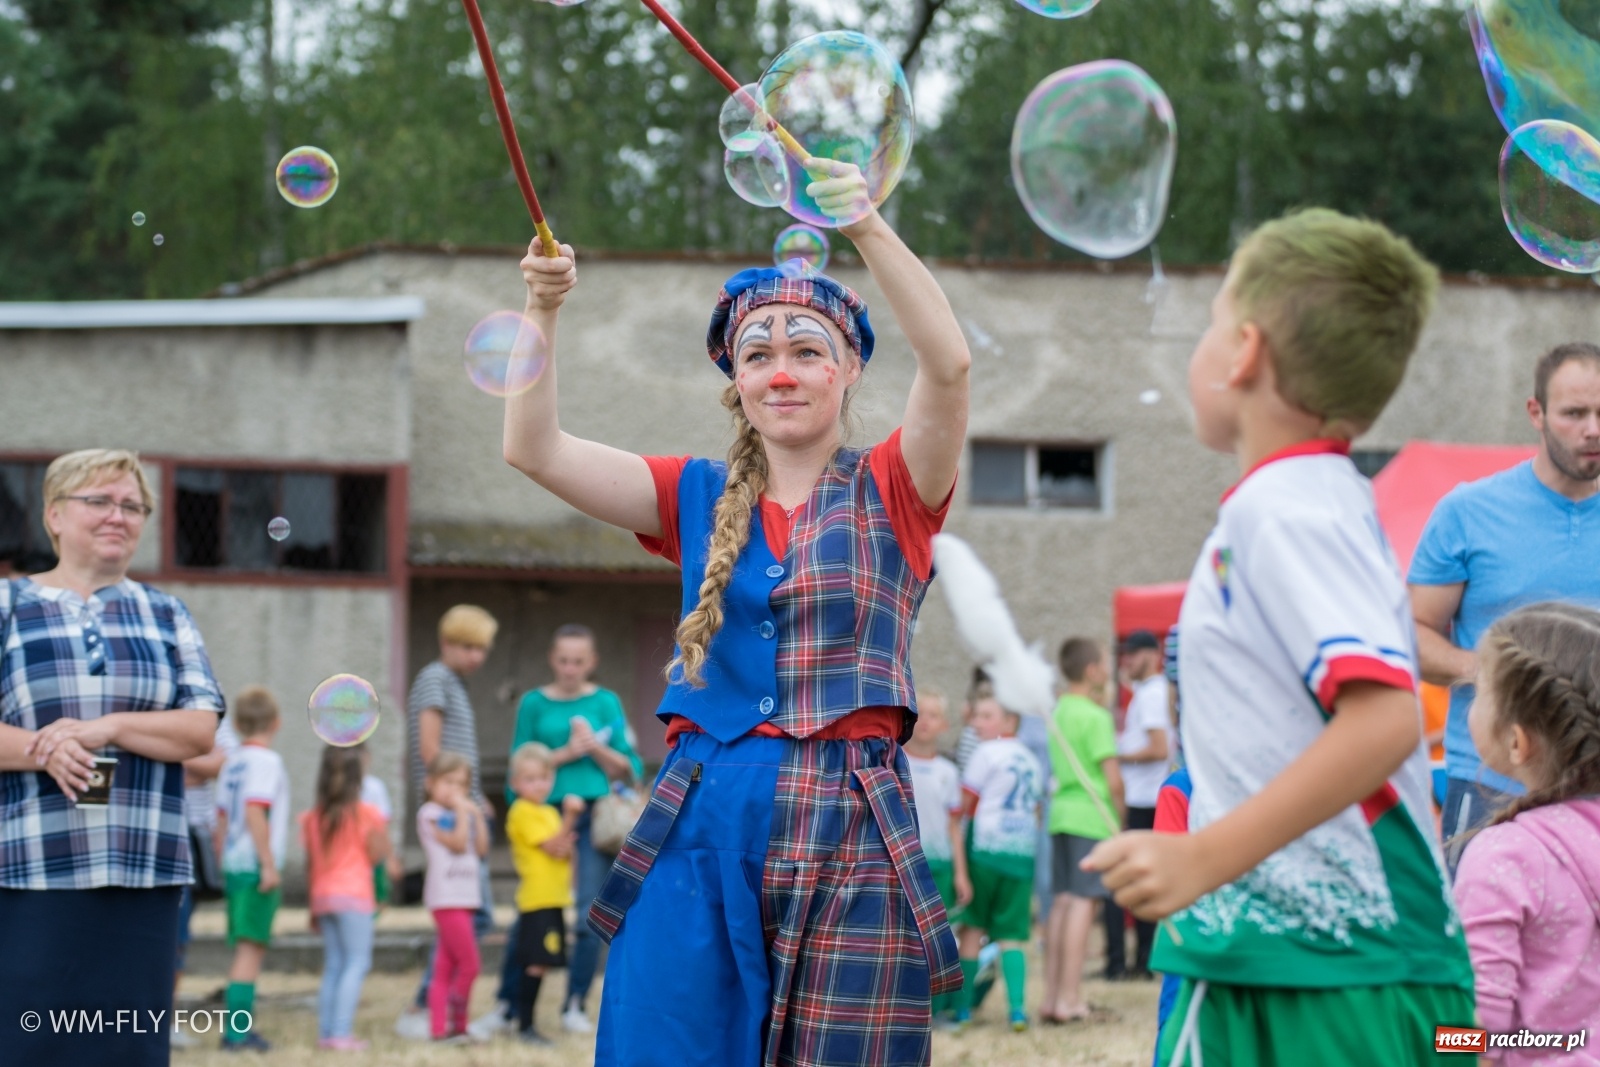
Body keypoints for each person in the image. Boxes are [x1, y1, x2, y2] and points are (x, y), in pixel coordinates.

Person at [504, 157, 968, 1065]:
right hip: (699, 815)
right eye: (759, 355)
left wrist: (864, 221)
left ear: (849, 370)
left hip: (850, 818)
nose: (781, 372)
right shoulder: (695, 492)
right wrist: (544, 307)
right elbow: (533, 446)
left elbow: (948, 363)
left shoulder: (897, 485)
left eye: (805, 350)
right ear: (737, 381)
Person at [1084, 209, 1475, 1065]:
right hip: (1304, 961)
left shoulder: (1287, 506)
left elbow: (1386, 720)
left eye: (1210, 320)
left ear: (1245, 352)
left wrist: (1201, 858)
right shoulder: (1306, 501)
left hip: (1329, 975)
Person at [0, 448, 224, 1067]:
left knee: (128, 1051)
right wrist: (44, 751)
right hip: (30, 872)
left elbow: (200, 729)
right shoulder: (7, 606)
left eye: (132, 506)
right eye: (98, 501)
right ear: (53, 515)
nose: (117, 516)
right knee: (29, 1048)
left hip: (144, 871)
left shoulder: (166, 613)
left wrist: (111, 727)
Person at [1409, 342, 1600, 872]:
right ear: (1535, 413)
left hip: (1597, 778)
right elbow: (1414, 636)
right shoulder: (1468, 512)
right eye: (1575, 413)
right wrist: (1507, 676)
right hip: (1490, 780)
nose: (1593, 429)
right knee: (1482, 945)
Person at [1452, 603, 1600, 1057]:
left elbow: (1480, 1034)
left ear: (1517, 741)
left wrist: (1432, 1041)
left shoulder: (1505, 856)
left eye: (1478, 691)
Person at [495, 623, 643, 1035]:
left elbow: (629, 769)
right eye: (563, 660)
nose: (570, 668)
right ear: (551, 659)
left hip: (595, 817)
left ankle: (574, 1003)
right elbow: (517, 771)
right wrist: (564, 753)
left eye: (579, 661)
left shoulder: (606, 701)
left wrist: (594, 748)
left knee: (587, 915)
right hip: (544, 814)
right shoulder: (533, 703)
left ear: (592, 663)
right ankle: (509, 1004)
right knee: (532, 911)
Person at [400, 603, 497, 1038]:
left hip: (465, 804)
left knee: (476, 914)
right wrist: (457, 798)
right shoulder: (434, 679)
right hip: (451, 811)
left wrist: (477, 800)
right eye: (467, 646)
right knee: (476, 914)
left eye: (482, 648)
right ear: (446, 643)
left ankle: (435, 1002)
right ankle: (428, 1005)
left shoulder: (454, 681)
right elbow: (431, 749)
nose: (476, 656)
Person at [948, 689, 1044, 1033]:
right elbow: (1036, 811)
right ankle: (1017, 1011)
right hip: (1021, 855)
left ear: (1009, 720)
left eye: (986, 716)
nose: (977, 723)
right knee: (1013, 935)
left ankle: (962, 1011)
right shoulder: (1030, 759)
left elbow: (964, 804)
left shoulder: (986, 752)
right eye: (976, 716)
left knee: (972, 928)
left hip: (984, 853)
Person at [1041, 636, 1123, 1024]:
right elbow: (1113, 779)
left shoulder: (1058, 710)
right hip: (1091, 816)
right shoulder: (1096, 715)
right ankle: (1069, 1001)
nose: (1108, 668)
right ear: (1092, 671)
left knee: (1062, 902)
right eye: (1105, 662)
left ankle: (1052, 996)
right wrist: (1120, 820)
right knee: (1082, 904)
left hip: (1061, 814)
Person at [300, 743, 391, 1052]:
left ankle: (327, 1034)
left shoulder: (312, 818)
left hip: (324, 897)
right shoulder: (368, 814)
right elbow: (378, 855)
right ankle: (341, 1035)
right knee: (356, 962)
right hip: (354, 897)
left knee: (335, 965)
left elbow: (311, 865)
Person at [215, 686, 289, 1052]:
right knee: (250, 951)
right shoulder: (266, 762)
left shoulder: (231, 760)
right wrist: (269, 864)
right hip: (254, 867)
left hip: (233, 865)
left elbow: (222, 820)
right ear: (276, 722)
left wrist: (222, 860)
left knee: (244, 948)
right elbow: (255, 810)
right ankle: (238, 1034)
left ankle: (237, 1030)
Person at [504, 742, 585, 1046]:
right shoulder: (522, 811)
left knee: (539, 962)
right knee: (535, 963)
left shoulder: (547, 813)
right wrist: (571, 818)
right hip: (537, 899)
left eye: (543, 777)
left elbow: (563, 849)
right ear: (515, 783)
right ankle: (525, 1025)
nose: (538, 784)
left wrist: (563, 829)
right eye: (530, 779)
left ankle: (521, 1020)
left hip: (554, 897)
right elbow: (554, 846)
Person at [1105, 629, 1171, 980]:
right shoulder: (1148, 692)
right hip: (1144, 796)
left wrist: (1115, 757)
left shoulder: (1152, 694)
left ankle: (1130, 962)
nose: (1127, 660)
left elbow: (1159, 748)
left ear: (1151, 654)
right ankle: (1136, 961)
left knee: (1129, 879)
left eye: (1133, 654)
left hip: (1143, 799)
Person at [172, 714, 239, 1050]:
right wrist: (196, 761)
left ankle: (165, 1018)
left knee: (179, 935)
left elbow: (225, 761)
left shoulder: (206, 700)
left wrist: (171, 758)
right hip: (157, 831)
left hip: (194, 835)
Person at [902, 687, 969, 1023]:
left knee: (940, 937)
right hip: (907, 865)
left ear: (944, 725)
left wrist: (961, 872)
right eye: (920, 713)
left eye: (933, 715)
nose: (925, 722)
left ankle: (939, 1010)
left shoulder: (948, 771)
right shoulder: (896, 760)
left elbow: (954, 827)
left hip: (940, 865)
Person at [418, 751, 488, 1043]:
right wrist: (463, 811)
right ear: (430, 783)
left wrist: (477, 816)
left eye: (461, 784)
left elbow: (481, 849)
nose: (454, 790)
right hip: (446, 899)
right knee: (471, 965)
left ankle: (446, 1029)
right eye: (448, 782)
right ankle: (453, 1017)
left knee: (445, 968)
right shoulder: (430, 814)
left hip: (465, 897)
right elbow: (458, 844)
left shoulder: (463, 815)